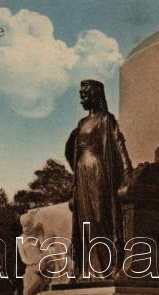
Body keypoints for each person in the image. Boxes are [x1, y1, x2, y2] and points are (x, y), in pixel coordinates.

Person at [65, 80, 133, 279]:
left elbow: (119, 145)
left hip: (98, 171)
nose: (82, 99)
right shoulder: (81, 123)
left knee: (100, 218)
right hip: (81, 172)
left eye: (85, 95)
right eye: (80, 95)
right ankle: (87, 271)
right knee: (84, 222)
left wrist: (127, 172)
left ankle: (105, 267)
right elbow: (73, 152)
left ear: (95, 96)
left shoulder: (106, 119)